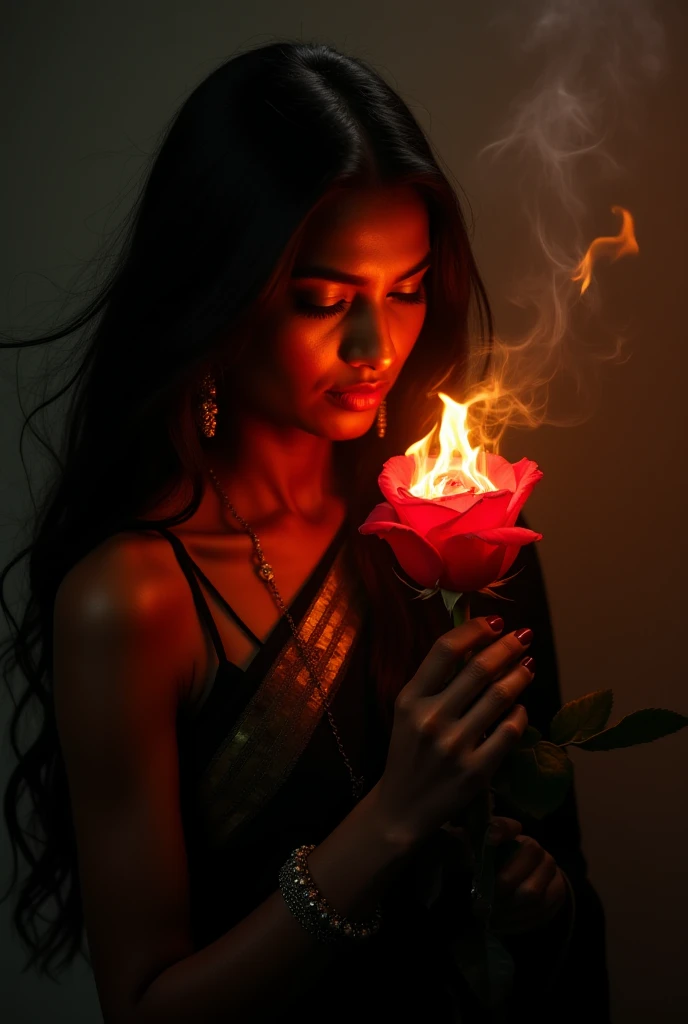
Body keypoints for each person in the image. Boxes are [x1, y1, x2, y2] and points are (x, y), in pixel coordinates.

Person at [0, 40, 610, 1023]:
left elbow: (561, 866)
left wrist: (538, 895)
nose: (375, 347)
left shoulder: (455, 524)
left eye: (405, 290)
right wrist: (390, 819)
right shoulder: (135, 599)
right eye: (325, 301)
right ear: (217, 295)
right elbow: (147, 1007)